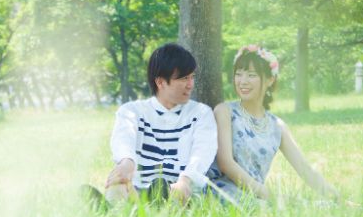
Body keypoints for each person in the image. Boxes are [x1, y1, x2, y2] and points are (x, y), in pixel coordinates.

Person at [207, 45, 340, 203]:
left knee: (319, 207)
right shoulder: (225, 111)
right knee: (292, 206)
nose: (243, 81)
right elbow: (226, 163)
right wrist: (269, 196)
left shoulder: (277, 126)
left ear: (270, 80)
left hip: (257, 197)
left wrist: (337, 198)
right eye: (238, 74)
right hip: (223, 193)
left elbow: (305, 170)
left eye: (251, 75)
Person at [102, 43, 217, 205]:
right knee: (117, 186)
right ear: (161, 82)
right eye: (184, 78)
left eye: (192, 77)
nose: (190, 84)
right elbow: (123, 138)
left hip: (180, 188)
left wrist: (186, 180)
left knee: (169, 194)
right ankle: (105, 206)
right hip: (137, 188)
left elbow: (203, 151)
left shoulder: (201, 113)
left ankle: (134, 207)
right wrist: (126, 162)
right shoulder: (132, 111)